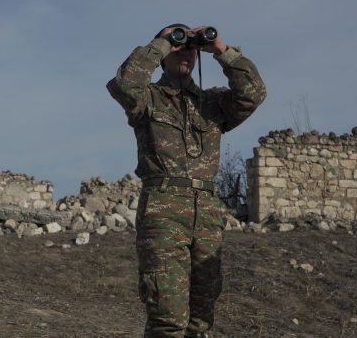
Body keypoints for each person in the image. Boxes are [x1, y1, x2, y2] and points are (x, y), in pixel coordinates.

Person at [106, 23, 266, 338]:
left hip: (207, 212)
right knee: (167, 317)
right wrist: (162, 44)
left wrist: (220, 49)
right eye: (177, 45)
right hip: (163, 212)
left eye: (189, 47)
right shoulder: (148, 99)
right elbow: (124, 84)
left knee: (202, 319)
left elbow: (254, 93)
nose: (185, 52)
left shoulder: (213, 103)